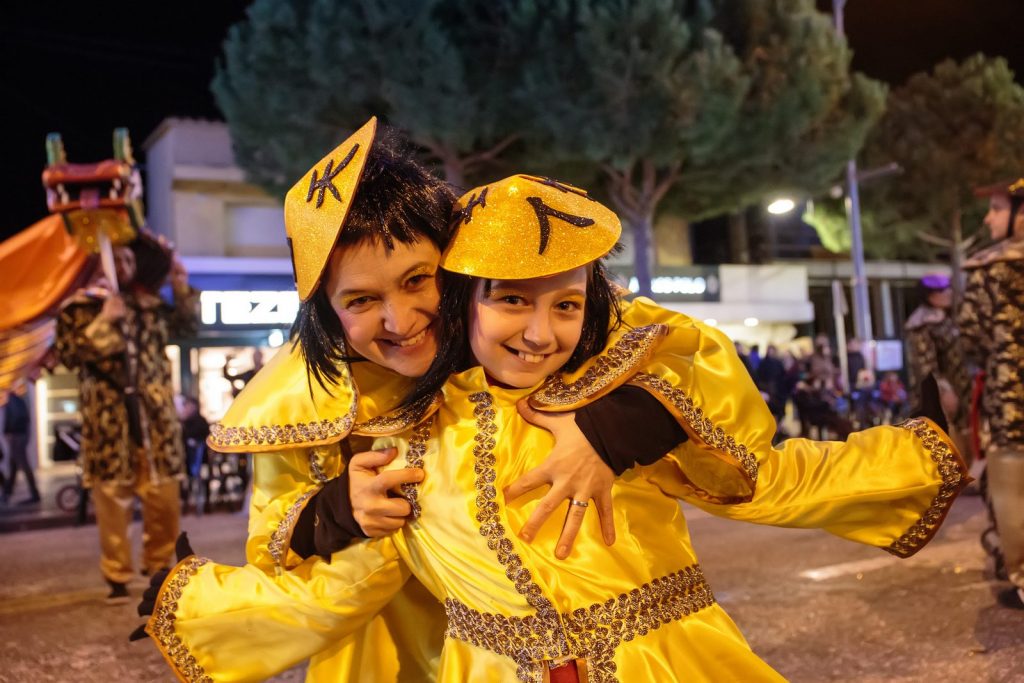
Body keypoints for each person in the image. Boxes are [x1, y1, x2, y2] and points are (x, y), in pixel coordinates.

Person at [139, 174, 967, 682]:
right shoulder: (336, 418)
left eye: (418, 280)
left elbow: (741, 445)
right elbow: (316, 577)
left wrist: (625, 420)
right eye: (361, 300)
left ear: (450, 275)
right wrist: (329, 515)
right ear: (325, 312)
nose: (400, 317)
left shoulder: (604, 364)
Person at [54, 232, 198, 603]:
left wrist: (181, 286)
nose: (123, 266)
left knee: (164, 496)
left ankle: (159, 569)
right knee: (112, 499)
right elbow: (69, 354)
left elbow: (187, 328)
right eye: (115, 259)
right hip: (109, 421)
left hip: (155, 421)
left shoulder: (149, 306)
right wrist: (105, 321)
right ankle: (116, 576)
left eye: (128, 260)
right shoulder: (80, 307)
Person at [957, 177, 1024, 611]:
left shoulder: (989, 271)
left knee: (1014, 492)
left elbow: (972, 339)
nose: (988, 216)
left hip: (1013, 410)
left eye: (998, 208)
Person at [905, 274, 970, 432]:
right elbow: (925, 366)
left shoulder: (945, 319)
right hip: (941, 397)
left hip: (960, 391)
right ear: (931, 296)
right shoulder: (921, 324)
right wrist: (944, 392)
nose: (948, 293)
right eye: (943, 290)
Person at [2, 392, 40, 505]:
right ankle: (7, 492)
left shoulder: (13, 400)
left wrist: (9, 432)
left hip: (17, 436)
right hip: (18, 435)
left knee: (23, 465)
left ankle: (34, 494)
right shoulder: (15, 399)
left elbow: (17, 418)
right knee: (14, 464)